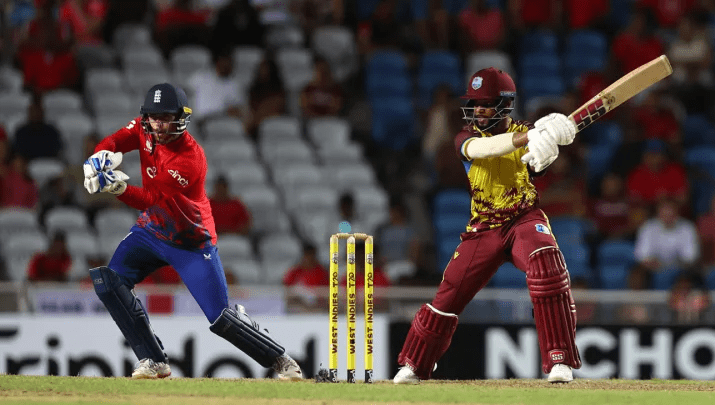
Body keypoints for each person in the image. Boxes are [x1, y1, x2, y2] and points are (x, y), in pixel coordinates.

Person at [81, 83, 302, 380]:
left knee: (222, 320)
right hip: (152, 230)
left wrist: (116, 187)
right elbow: (113, 141)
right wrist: (97, 157)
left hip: (191, 243)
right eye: (154, 116)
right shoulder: (145, 129)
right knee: (109, 283)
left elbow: (151, 198)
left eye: (166, 117)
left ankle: (281, 359)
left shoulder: (189, 159)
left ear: (180, 118)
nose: (159, 124)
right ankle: (153, 359)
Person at [393, 67, 581, 384]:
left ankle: (558, 359)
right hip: (483, 228)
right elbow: (487, 149)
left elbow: (537, 164)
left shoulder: (527, 131)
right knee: (448, 294)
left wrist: (548, 148)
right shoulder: (466, 137)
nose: (479, 110)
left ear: (505, 105)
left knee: (547, 265)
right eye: (475, 103)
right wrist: (530, 136)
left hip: (523, 219)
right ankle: (415, 364)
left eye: (487, 104)